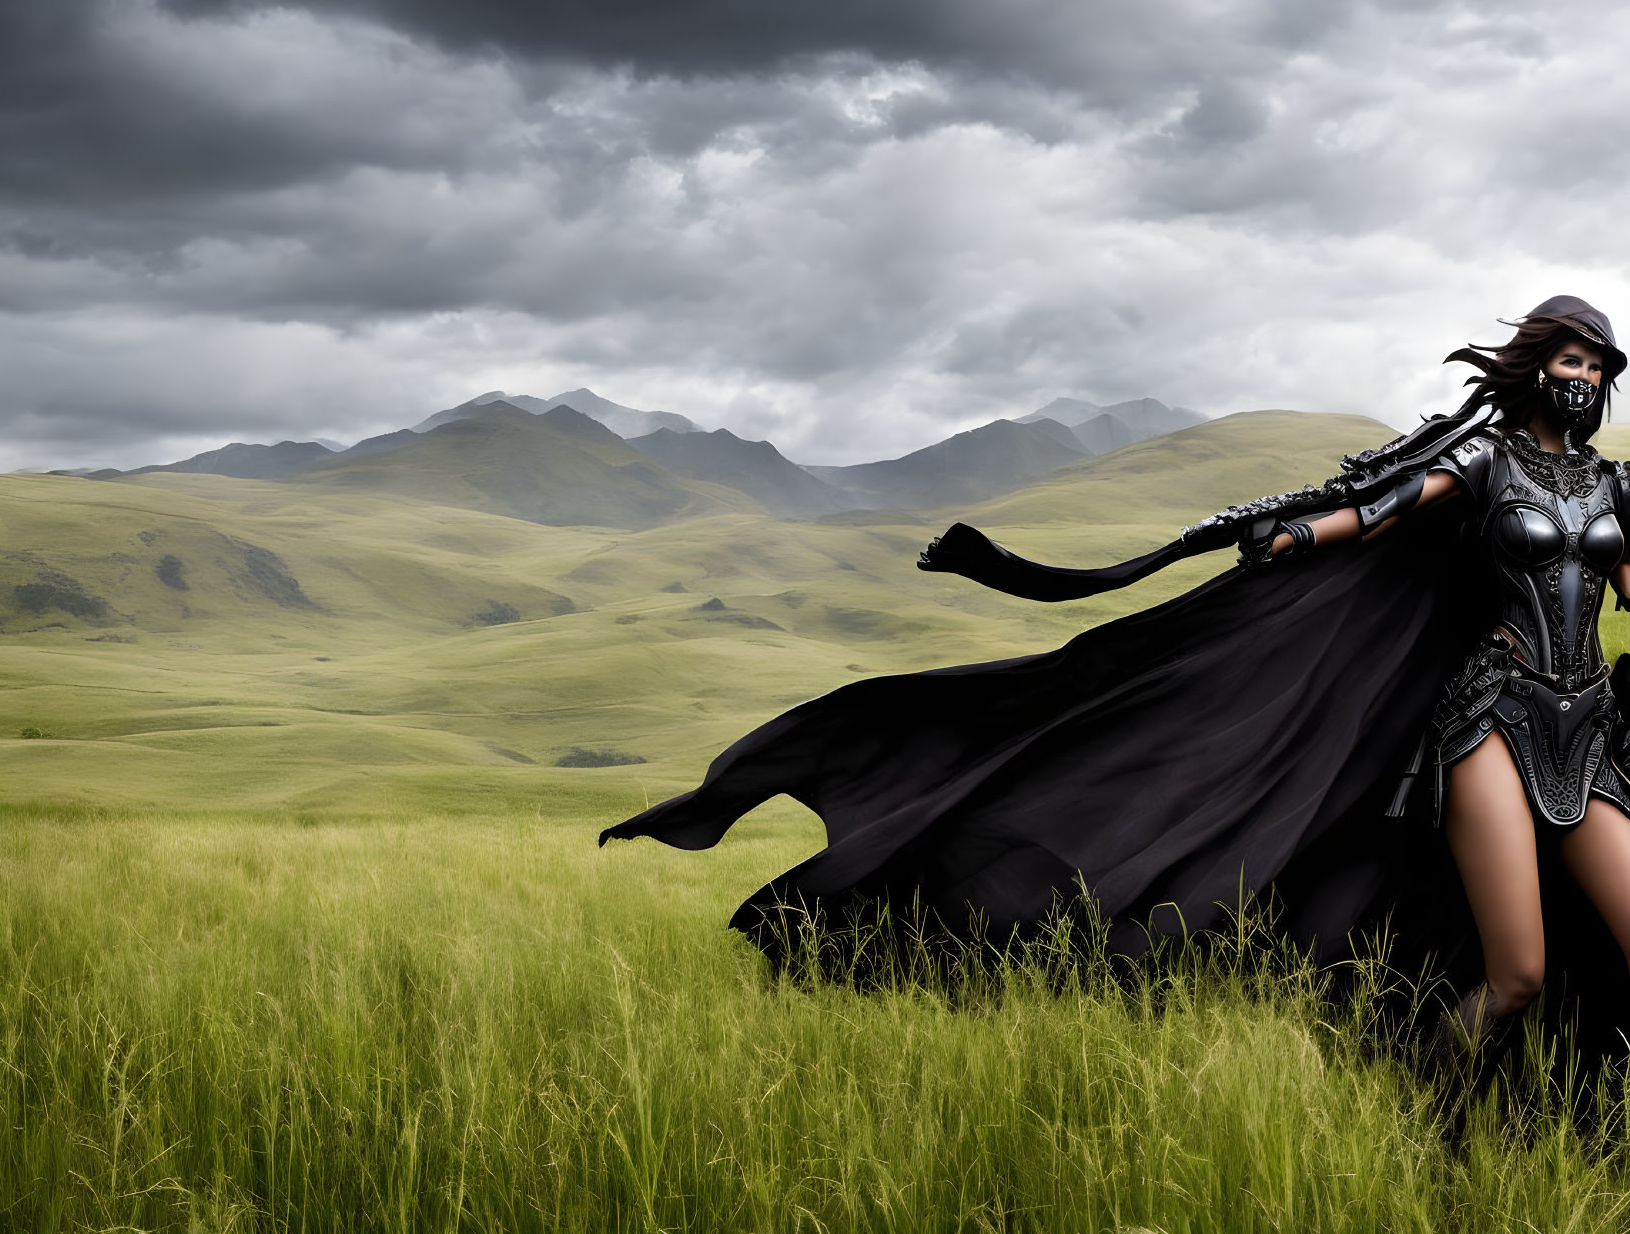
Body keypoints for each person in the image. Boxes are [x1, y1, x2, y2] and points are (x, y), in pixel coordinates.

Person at [599, 295, 1630, 1083]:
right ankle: (1425, 1118)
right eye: (1569, 358)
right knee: (1515, 976)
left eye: (1597, 364)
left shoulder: (1612, 489)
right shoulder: (1481, 466)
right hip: (1488, 720)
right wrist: (1282, 534)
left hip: (1588, 736)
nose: (1582, 376)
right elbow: (1373, 513)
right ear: (1535, 367)